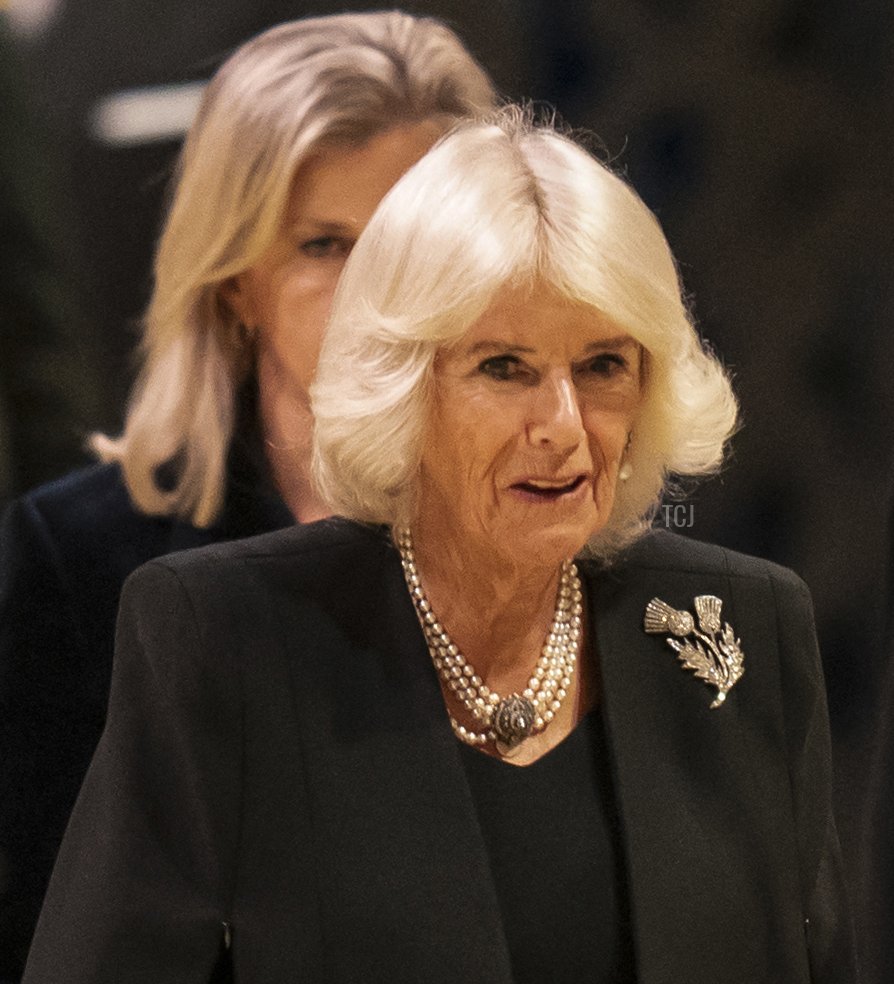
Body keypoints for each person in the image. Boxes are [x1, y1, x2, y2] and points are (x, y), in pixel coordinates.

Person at [23, 109, 855, 983]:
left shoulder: (743, 628)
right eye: (506, 368)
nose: (564, 427)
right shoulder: (223, 641)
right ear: (404, 386)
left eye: (603, 366)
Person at [0, 12, 496, 978]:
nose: (378, 292)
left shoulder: (559, 514)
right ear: (236, 280)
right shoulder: (82, 561)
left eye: (408, 240)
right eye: (324, 246)